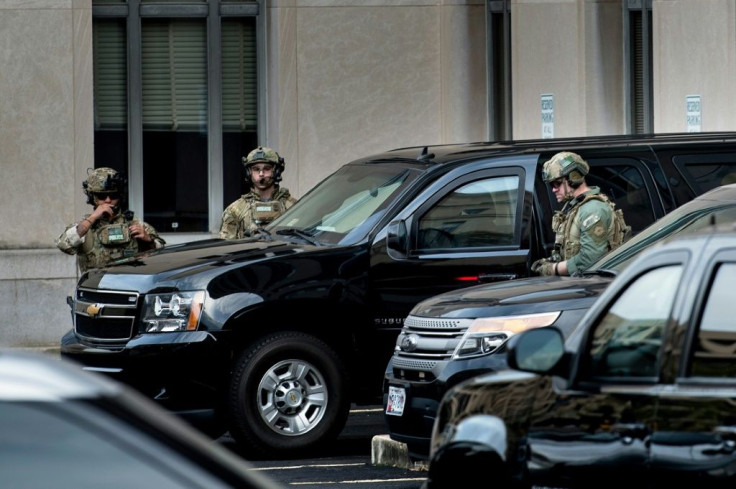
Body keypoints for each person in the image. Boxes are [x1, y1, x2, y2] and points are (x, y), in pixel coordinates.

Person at [531, 151, 629, 277]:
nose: (554, 189)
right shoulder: (575, 207)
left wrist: (554, 269)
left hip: (593, 287)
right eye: (551, 185)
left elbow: (590, 259)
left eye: (557, 183)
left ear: (574, 178)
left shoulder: (593, 210)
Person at [56, 167, 165, 274]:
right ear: (92, 197)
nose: (108, 200)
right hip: (96, 288)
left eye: (113, 195)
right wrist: (93, 217)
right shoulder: (85, 227)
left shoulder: (134, 223)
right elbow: (64, 245)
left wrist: (149, 241)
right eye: (102, 196)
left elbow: (161, 255)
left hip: (129, 287)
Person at [219, 146, 297, 239]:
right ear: (249, 173)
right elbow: (227, 246)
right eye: (256, 169)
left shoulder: (293, 207)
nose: (261, 174)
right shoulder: (235, 210)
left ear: (276, 171)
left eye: (267, 169)